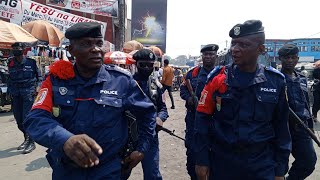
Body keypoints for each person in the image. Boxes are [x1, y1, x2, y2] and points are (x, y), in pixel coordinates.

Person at [23, 22, 157, 179]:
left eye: (99, 43)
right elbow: (35, 118)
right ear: (71, 50)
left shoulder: (121, 80)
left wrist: (141, 149)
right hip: (66, 171)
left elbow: (148, 114)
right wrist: (64, 139)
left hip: (108, 170)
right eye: (86, 44)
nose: (95, 49)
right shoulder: (55, 80)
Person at [194, 20, 291, 180]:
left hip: (261, 164)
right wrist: (202, 160)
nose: (235, 50)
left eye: (243, 45)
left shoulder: (275, 81)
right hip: (223, 162)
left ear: (261, 49)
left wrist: (280, 170)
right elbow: (202, 120)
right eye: (233, 44)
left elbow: (281, 128)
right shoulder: (218, 79)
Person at [122, 49, 169, 180]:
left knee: (152, 174)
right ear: (136, 64)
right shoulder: (126, 84)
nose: (147, 68)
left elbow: (163, 108)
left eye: (150, 65)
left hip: (150, 136)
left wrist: (160, 118)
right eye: (143, 64)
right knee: (122, 172)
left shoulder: (156, 86)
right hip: (128, 136)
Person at [180, 44, 219, 179]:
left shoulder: (221, 74)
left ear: (216, 56)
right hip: (194, 122)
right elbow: (183, 90)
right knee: (193, 157)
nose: (208, 57)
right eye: (206, 54)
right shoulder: (193, 73)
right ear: (202, 56)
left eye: (211, 54)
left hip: (215, 122)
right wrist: (189, 98)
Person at [278, 44, 317, 180]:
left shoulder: (301, 78)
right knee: (279, 166)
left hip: (302, 128)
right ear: (280, 59)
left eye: (293, 57)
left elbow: (306, 103)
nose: (290, 60)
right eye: (286, 58)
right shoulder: (276, 78)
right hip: (282, 128)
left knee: (308, 161)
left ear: (297, 59)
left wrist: (311, 126)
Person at [7, 42, 41, 154]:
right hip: (15, 93)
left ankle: (31, 142)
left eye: (19, 47)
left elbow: (39, 77)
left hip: (28, 92)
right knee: (19, 120)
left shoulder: (31, 62)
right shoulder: (10, 62)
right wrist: (9, 90)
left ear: (23, 49)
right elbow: (9, 79)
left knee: (26, 118)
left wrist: (38, 88)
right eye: (14, 48)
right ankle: (26, 139)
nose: (16, 49)